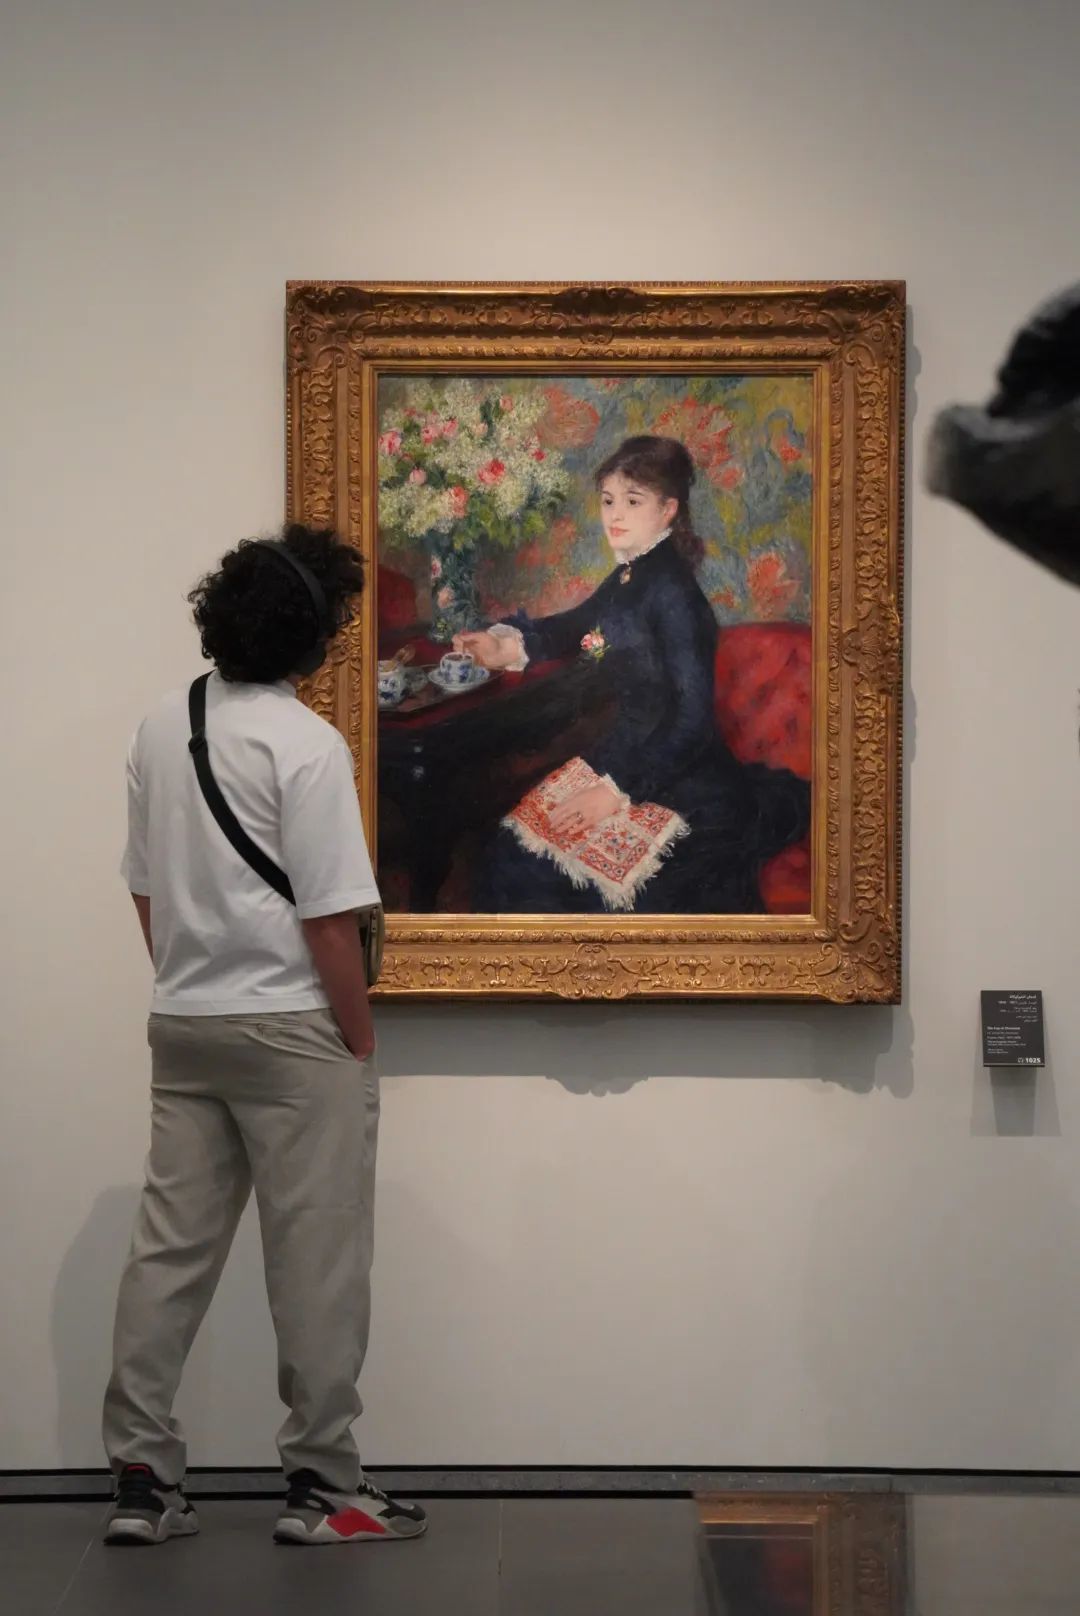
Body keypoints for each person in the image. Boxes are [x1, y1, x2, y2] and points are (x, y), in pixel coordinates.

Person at [102, 524, 427, 1548]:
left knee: (169, 1251)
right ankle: (325, 1486)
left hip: (185, 1023)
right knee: (316, 1257)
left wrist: (191, 980)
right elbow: (331, 920)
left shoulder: (163, 723)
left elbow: (146, 891)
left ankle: (143, 1482)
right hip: (292, 1028)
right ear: (314, 635)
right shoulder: (307, 743)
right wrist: (358, 1041)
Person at [457, 436, 810, 914]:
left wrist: (615, 790)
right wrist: (504, 646)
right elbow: (573, 626)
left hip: (683, 782)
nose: (615, 515)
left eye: (633, 501)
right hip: (623, 756)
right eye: (608, 501)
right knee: (511, 856)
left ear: (668, 510)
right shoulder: (630, 575)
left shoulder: (676, 595)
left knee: (568, 888)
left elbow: (691, 724)